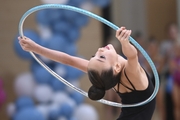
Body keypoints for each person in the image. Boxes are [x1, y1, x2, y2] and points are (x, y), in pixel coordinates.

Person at [18, 27, 156, 120]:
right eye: (101, 57)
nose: (100, 51)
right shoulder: (130, 73)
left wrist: (36, 48)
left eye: (94, 55)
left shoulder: (106, 74)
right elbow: (132, 56)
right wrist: (125, 43)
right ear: (117, 67)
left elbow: (69, 60)